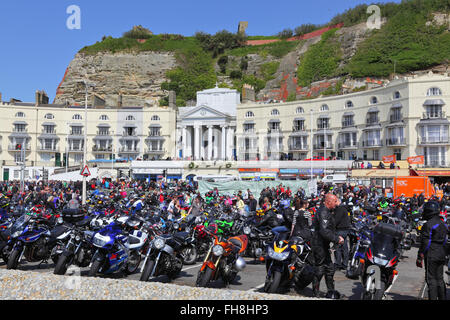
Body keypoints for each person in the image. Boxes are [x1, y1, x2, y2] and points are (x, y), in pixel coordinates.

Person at [311, 193, 344, 298]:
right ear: (329, 201)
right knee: (320, 269)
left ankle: (331, 292)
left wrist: (335, 237)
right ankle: (315, 293)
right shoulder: (323, 212)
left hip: (324, 244)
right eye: (335, 202)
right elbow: (324, 231)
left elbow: (329, 229)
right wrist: (336, 239)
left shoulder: (327, 211)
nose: (336, 204)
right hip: (319, 244)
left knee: (329, 269)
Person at [416, 200, 448, 300]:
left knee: (431, 280)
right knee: (440, 279)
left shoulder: (428, 225)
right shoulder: (443, 224)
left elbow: (426, 243)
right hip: (442, 253)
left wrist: (420, 255)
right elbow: (445, 240)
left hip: (432, 254)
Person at [333, 203, 351, 271]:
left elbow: (336, 220)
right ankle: (345, 264)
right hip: (344, 230)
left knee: (338, 247)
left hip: (340, 230)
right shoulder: (344, 209)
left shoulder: (340, 209)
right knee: (344, 247)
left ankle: (338, 264)